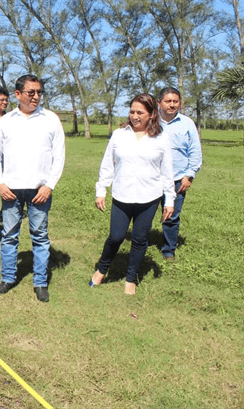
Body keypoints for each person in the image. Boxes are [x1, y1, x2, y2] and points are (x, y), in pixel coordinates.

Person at [0, 74, 65, 303]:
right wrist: (0, 184)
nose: (36, 96)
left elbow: (59, 157)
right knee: (9, 235)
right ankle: (8, 278)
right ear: (18, 94)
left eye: (39, 92)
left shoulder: (51, 119)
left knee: (40, 237)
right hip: (10, 190)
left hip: (39, 191)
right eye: (31, 92)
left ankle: (40, 282)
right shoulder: (6, 122)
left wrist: (49, 186)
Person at [90, 93, 176, 295]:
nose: (135, 116)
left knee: (139, 238)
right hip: (122, 195)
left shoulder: (161, 137)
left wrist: (169, 200)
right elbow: (107, 164)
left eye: (140, 112)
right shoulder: (120, 134)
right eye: (132, 112)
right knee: (116, 236)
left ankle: (130, 278)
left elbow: (167, 171)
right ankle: (102, 269)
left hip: (149, 198)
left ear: (151, 114)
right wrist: (101, 190)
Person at [157, 87, 202, 261]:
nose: (172, 105)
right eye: (168, 101)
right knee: (144, 213)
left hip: (178, 179)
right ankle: (141, 244)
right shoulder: (151, 121)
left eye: (175, 101)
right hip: (152, 177)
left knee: (172, 215)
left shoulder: (187, 123)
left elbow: (195, 151)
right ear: (159, 102)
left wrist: (189, 175)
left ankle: (169, 250)